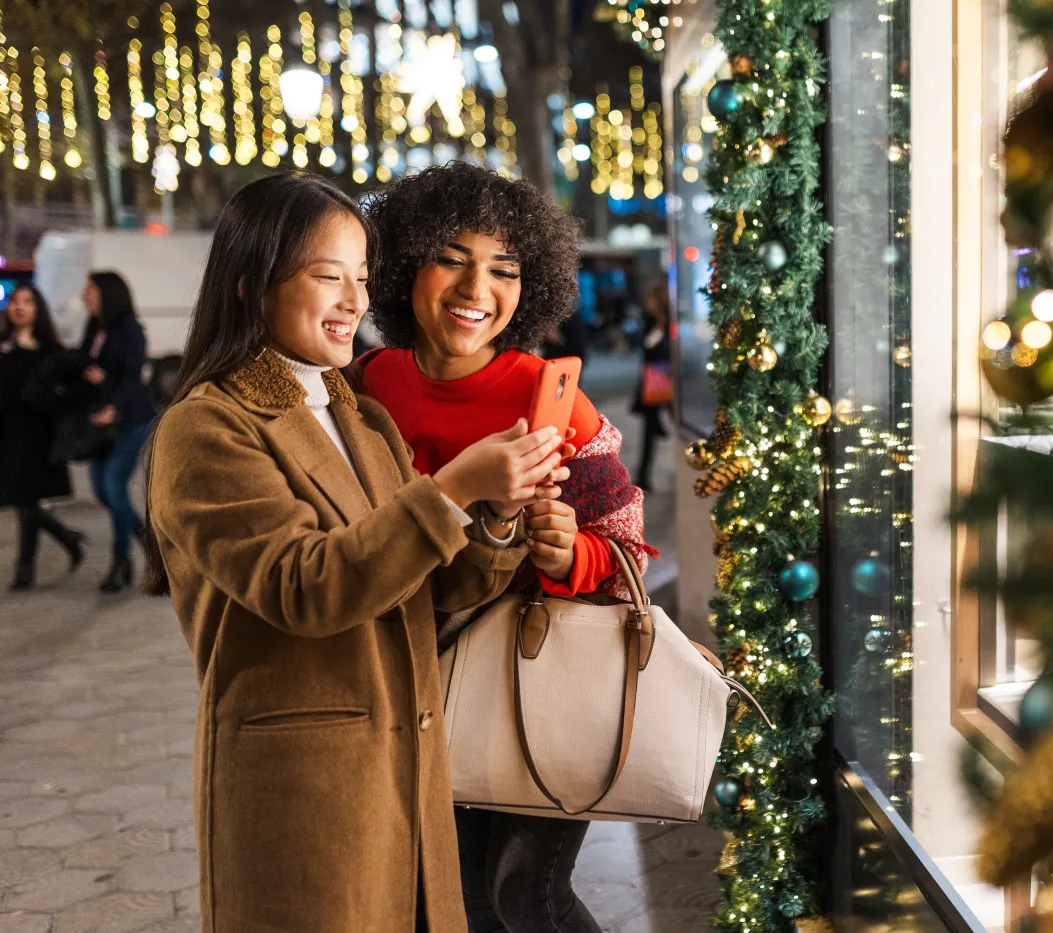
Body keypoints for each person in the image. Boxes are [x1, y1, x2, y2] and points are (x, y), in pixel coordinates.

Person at [142, 173, 572, 933]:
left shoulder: (359, 415)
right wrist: (447, 489)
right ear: (251, 283)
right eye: (326, 276)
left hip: (408, 764)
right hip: (306, 784)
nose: (353, 300)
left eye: (362, 279)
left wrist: (498, 515)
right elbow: (305, 586)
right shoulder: (207, 426)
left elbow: (430, 583)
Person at [357, 161, 655, 933]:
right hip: (412, 688)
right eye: (451, 257)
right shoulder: (362, 387)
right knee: (453, 899)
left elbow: (623, 546)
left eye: (504, 269)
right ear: (401, 264)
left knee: (527, 892)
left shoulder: (547, 396)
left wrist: (565, 554)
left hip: (537, 686)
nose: (475, 289)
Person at [0, 283, 84, 589]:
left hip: (37, 434)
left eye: (27, 302)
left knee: (25, 500)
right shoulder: (3, 344)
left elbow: (72, 390)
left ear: (38, 309)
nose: (19, 307)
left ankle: (25, 571)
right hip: (8, 433)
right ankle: (68, 538)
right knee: (21, 499)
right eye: (15, 302)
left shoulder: (51, 351)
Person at [80, 271, 156, 592]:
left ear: (107, 294)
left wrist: (109, 395)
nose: (85, 295)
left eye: (90, 290)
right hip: (100, 423)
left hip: (130, 419)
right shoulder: (95, 327)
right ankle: (150, 543)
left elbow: (131, 377)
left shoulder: (130, 330)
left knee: (114, 486)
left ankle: (120, 561)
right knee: (100, 489)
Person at [631, 283, 672, 493]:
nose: (648, 303)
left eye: (651, 300)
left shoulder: (671, 324)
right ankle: (643, 476)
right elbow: (645, 349)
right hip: (653, 383)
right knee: (648, 430)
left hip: (670, 382)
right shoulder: (648, 322)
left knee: (675, 421)